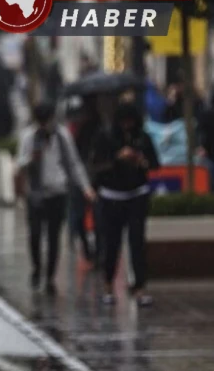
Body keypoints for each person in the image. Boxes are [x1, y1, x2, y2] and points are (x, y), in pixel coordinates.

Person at [16, 103, 96, 294]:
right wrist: (31, 158)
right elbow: (20, 163)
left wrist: (85, 188)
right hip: (35, 193)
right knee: (35, 234)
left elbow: (73, 163)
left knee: (53, 236)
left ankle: (50, 276)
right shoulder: (29, 137)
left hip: (57, 193)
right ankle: (37, 269)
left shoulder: (62, 136)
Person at [92, 102, 159, 306]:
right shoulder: (105, 136)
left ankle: (139, 287)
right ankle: (108, 285)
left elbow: (155, 163)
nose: (127, 126)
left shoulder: (142, 137)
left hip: (137, 195)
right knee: (112, 243)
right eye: (124, 122)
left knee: (137, 242)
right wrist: (116, 158)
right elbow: (96, 165)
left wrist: (141, 161)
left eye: (131, 122)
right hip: (112, 196)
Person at [68, 98, 100, 263]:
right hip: (82, 177)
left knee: (96, 215)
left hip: (95, 177)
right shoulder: (76, 129)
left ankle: (95, 250)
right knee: (80, 214)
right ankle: (88, 248)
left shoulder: (99, 128)